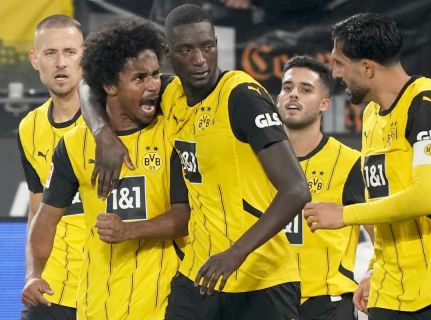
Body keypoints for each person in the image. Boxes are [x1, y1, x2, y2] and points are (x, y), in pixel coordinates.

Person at [81, 4, 310, 319]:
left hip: (261, 278)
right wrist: (102, 135)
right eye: (186, 50)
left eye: (208, 46)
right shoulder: (171, 94)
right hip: (198, 275)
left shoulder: (242, 97)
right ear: (168, 53)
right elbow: (89, 85)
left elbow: (297, 189)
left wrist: (235, 253)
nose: (200, 60)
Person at [304, 13, 431, 320]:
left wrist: (344, 215)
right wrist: (373, 269)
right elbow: (384, 201)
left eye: (340, 63)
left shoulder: (427, 104)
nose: (334, 73)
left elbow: (425, 197)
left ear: (367, 68)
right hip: (389, 292)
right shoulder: (372, 116)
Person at [25, 17, 190, 319]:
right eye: (140, 78)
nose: (154, 85)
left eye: (155, 74)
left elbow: (184, 218)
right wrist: (34, 273)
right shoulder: (74, 146)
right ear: (110, 85)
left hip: (161, 304)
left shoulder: (172, 133)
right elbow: (45, 218)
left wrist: (129, 230)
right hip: (94, 304)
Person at [277, 55, 366, 320]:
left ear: (325, 104)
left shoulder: (349, 162)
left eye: (305, 90)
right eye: (287, 88)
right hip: (265, 297)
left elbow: (379, 234)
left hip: (325, 304)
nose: (294, 95)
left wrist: (373, 273)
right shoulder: (254, 159)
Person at [18, 14, 84, 320]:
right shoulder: (29, 128)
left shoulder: (117, 118)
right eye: (50, 53)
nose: (61, 63)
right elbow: (36, 210)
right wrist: (33, 273)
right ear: (34, 59)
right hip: (52, 290)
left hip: (110, 289)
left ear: (86, 55)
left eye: (70, 52)